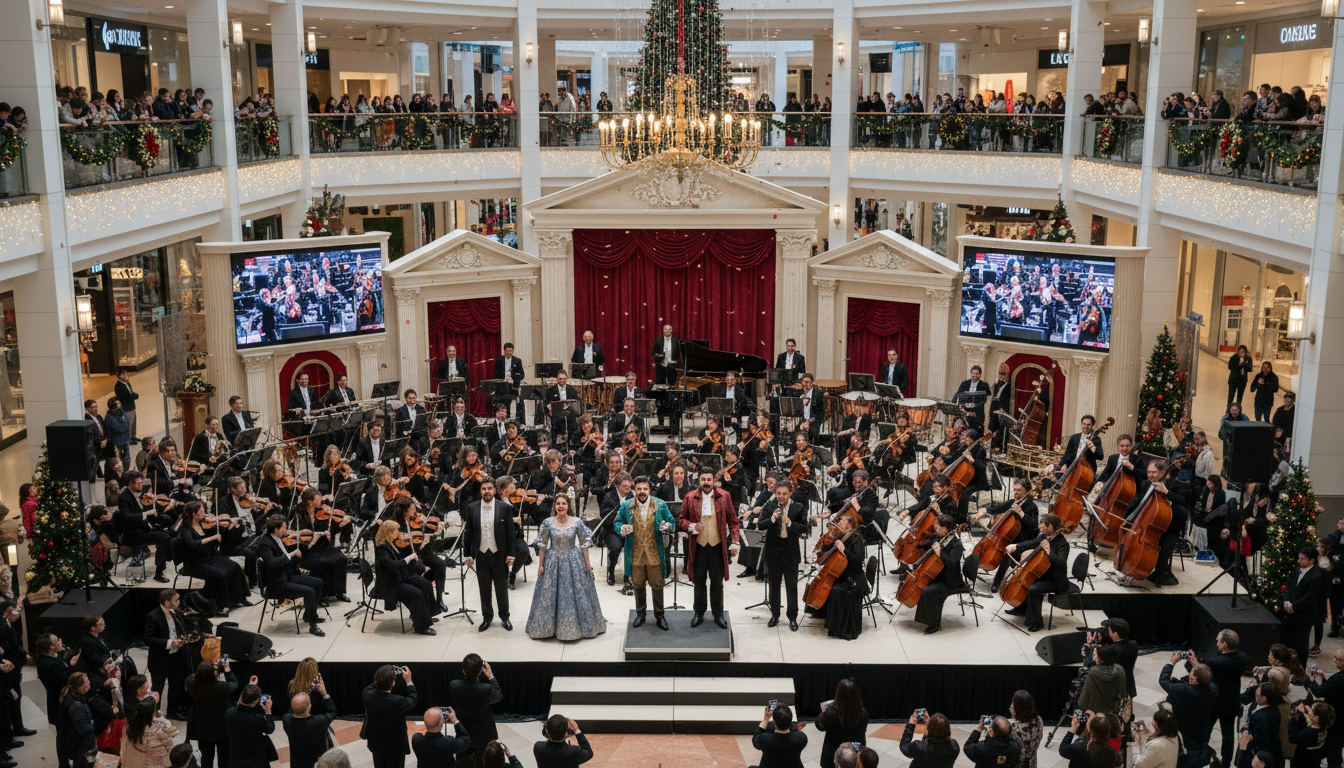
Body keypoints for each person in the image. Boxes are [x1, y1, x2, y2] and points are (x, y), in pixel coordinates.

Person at [526, 494, 606, 639]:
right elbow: (543, 546)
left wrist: (588, 565)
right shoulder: (548, 522)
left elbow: (584, 544)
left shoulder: (576, 522)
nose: (561, 506)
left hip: (573, 559)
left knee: (578, 593)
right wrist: (541, 565)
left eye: (563, 503)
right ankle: (549, 628)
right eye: (558, 504)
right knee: (549, 595)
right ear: (554, 506)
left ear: (568, 506)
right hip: (553, 560)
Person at [678, 469, 741, 629]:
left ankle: (718, 614)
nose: (706, 482)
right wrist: (690, 525)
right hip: (698, 547)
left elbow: (733, 521)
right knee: (699, 582)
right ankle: (699, 613)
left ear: (714, 480)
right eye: (703, 479)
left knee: (717, 583)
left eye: (709, 479)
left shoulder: (724, 496)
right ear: (699, 480)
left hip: (717, 547)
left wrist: (735, 541)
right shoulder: (690, 497)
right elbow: (681, 520)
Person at [616, 477, 676, 631]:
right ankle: (640, 614)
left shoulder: (660, 504)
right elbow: (617, 522)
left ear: (649, 490)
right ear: (634, 489)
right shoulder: (626, 505)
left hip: (655, 552)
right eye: (639, 489)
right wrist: (622, 528)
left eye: (645, 489)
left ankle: (660, 615)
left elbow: (672, 522)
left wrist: (667, 526)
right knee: (638, 584)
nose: (642, 492)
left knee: (657, 584)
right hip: (635, 553)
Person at [257, 515, 328, 636]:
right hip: (277, 583)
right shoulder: (265, 544)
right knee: (310, 591)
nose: (286, 531)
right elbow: (272, 563)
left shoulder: (278, 538)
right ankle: (312, 625)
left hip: (287, 576)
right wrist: (292, 554)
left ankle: (309, 616)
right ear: (276, 528)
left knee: (318, 583)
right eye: (284, 528)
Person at [462, 478, 516, 632]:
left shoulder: (504, 507)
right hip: (481, 553)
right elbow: (469, 533)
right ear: (480, 491)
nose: (487, 491)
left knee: (501, 588)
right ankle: (487, 617)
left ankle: (505, 617)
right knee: (484, 588)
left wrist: (511, 554)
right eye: (484, 489)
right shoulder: (472, 508)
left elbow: (511, 534)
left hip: (499, 553)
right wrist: (468, 554)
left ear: (494, 490)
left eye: (489, 488)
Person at [1003, 513, 1070, 632]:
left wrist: (1050, 552)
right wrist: (1016, 546)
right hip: (1044, 574)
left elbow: (1062, 564)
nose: (1041, 529)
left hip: (1056, 580)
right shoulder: (1045, 537)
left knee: (1034, 589)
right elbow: (1032, 542)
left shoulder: (1063, 544)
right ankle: (1022, 609)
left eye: (1044, 527)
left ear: (1051, 527)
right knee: (1027, 581)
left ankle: (1037, 622)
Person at [373, 521, 438, 635]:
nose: (398, 533)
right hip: (390, 584)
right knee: (417, 594)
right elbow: (393, 565)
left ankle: (426, 616)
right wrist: (408, 558)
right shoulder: (381, 550)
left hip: (399, 577)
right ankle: (421, 627)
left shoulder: (391, 544)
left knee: (425, 584)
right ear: (388, 532)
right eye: (395, 530)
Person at [758, 480, 807, 631]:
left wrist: (791, 523)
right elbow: (760, 524)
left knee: (791, 586)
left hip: (790, 552)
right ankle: (775, 615)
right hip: (773, 551)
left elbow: (804, 529)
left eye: (784, 494)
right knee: (774, 586)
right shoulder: (769, 506)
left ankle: (792, 617)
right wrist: (771, 520)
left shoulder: (798, 507)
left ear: (790, 493)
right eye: (778, 493)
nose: (780, 496)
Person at [1202, 629, 1251, 767]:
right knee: (1228, 735)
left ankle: (1202, 755)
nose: (1216, 642)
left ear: (1224, 644)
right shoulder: (1242, 656)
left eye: (1218, 640)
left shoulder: (1215, 662)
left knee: (1205, 731)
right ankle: (1226, 762)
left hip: (1215, 703)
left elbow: (1202, 673)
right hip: (1232, 701)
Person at [1160, 654, 1218, 765]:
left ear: (1192, 679)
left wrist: (1171, 663)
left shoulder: (1184, 691)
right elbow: (1206, 678)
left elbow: (1163, 680)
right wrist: (1196, 665)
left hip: (1183, 731)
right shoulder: (1213, 689)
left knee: (1182, 757)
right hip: (1201, 730)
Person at [143, 589, 193, 719]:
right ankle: (154, 714)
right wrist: (170, 642)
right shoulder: (153, 616)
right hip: (160, 660)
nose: (179, 602)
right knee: (158, 687)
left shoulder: (176, 612)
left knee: (175, 686)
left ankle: (172, 712)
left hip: (175, 657)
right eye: (176, 600)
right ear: (167, 602)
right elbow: (148, 639)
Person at [912, 514, 965, 634]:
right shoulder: (940, 538)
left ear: (948, 528)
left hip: (951, 580)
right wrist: (919, 544)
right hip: (940, 575)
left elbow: (951, 564)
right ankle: (926, 619)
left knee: (929, 591)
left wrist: (940, 552)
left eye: (940, 528)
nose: (937, 530)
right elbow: (931, 543)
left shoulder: (957, 545)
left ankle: (934, 624)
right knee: (922, 585)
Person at [184, 659, 237, 768]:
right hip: (221, 727)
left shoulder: (191, 684)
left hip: (202, 726)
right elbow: (234, 683)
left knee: (206, 757)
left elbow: (191, 678)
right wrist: (227, 669)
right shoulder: (221, 688)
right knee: (224, 756)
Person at [449, 654, 503, 760]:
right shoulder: (486, 689)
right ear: (480, 671)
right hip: (484, 733)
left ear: (463, 670)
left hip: (464, 731)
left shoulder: (454, 685)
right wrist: (490, 676)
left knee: (462, 762)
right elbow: (499, 696)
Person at [363, 665, 418, 768]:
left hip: (376, 744)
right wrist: (408, 681)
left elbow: (375, 684)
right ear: (393, 683)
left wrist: (383, 676)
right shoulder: (397, 701)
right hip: (395, 748)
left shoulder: (367, 695)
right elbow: (413, 699)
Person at [1285, 546, 1325, 666]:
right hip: (1291, 612)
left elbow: (1309, 597)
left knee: (1302, 645)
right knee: (1290, 642)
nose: (1299, 561)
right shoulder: (1297, 570)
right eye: (1299, 558)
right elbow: (1289, 587)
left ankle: (1300, 670)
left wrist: (1293, 606)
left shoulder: (1316, 576)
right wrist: (1286, 601)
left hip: (1304, 615)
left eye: (1302, 559)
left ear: (1311, 561)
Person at [815, 680, 868, 768]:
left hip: (833, 754)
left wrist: (823, 713)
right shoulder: (863, 713)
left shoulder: (831, 713)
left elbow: (820, 726)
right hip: (855, 755)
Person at [283, 681, 336, 768]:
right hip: (317, 763)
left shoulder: (286, 720)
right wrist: (324, 693)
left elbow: (294, 709)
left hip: (297, 764)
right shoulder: (318, 722)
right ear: (309, 708)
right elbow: (332, 711)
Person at [224, 684, 277, 768]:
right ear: (256, 702)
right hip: (255, 759)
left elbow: (238, 707)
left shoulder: (230, 712)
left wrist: (248, 688)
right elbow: (270, 729)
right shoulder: (258, 719)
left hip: (236, 756)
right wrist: (268, 712)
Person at [1307, 649, 1344, 768]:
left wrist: (1312, 681)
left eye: (1340, 660)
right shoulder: (1338, 678)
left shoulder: (1339, 679)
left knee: (1333, 747)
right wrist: (1323, 677)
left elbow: (1319, 692)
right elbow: (1333, 689)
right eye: (1335, 658)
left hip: (1336, 718)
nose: (1335, 662)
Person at [120, 698, 178, 768]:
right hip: (149, 763)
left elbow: (124, 744)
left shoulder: (129, 725)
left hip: (132, 759)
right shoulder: (158, 730)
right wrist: (162, 719)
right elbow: (170, 746)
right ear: (152, 713)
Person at [1239, 683, 1286, 768]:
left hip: (1263, 757)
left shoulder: (1260, 718)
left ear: (1264, 698)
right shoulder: (1274, 708)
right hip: (1275, 750)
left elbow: (1262, 741)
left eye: (1257, 695)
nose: (1255, 697)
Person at [1078, 644, 1128, 721]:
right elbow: (1123, 694)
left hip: (1095, 715)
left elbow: (1084, 699)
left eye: (1095, 655)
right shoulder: (1120, 670)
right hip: (1113, 714)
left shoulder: (1093, 672)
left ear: (1101, 659)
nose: (1094, 657)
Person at [57, 672, 95, 768]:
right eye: (87, 682)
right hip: (79, 741)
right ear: (80, 687)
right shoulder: (77, 705)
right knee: (83, 762)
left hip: (68, 737)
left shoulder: (69, 695)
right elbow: (84, 727)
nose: (89, 683)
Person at [753, 703, 806, 768]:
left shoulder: (764, 739)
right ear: (791, 720)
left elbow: (755, 740)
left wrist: (766, 719)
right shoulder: (801, 738)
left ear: (774, 722)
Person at [1290, 702, 1335, 768]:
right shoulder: (1324, 728)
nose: (1309, 712)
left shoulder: (1310, 732)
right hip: (1314, 761)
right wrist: (1303, 713)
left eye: (1311, 711)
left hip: (1301, 762)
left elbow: (1292, 738)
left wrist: (1293, 720)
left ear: (1317, 717)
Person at [1010, 690, 1044, 768]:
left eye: (1013, 703)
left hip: (1018, 764)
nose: (1011, 705)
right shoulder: (1038, 720)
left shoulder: (1013, 728)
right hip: (1032, 762)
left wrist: (1013, 717)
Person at [115, 369, 140, 440]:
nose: (126, 375)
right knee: (129, 423)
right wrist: (136, 395)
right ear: (119, 376)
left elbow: (131, 393)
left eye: (126, 373)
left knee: (134, 422)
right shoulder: (119, 386)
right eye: (123, 374)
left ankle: (133, 436)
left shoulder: (127, 383)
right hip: (126, 407)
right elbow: (128, 396)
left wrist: (133, 395)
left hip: (131, 406)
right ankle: (128, 438)